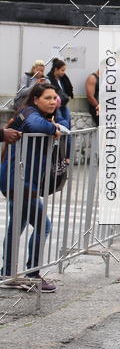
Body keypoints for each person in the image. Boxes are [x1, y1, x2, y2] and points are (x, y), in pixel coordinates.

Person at [0, 83, 69, 293]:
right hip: (18, 180)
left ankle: (7, 273)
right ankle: (32, 274)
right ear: (35, 99)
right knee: (43, 225)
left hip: (19, 179)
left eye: (54, 98)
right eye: (47, 98)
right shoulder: (29, 113)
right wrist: (54, 128)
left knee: (17, 226)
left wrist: (56, 125)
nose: (52, 101)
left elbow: (64, 122)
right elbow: (34, 125)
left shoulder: (37, 113)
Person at [46, 58, 73, 129]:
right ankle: (61, 139)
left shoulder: (62, 79)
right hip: (55, 106)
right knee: (61, 122)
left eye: (64, 70)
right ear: (56, 69)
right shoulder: (49, 79)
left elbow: (66, 90)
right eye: (62, 70)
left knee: (68, 122)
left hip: (63, 104)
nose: (63, 72)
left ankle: (67, 139)